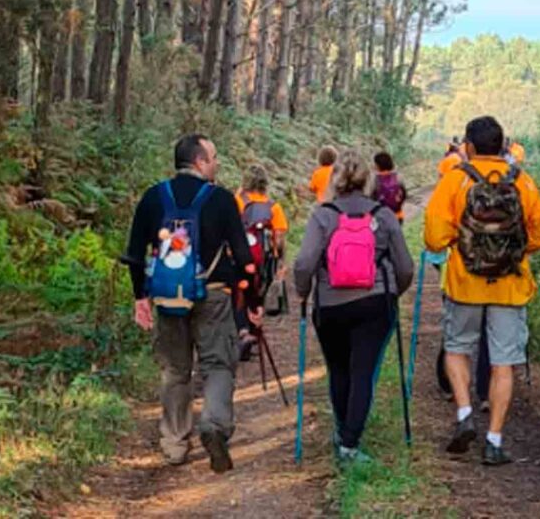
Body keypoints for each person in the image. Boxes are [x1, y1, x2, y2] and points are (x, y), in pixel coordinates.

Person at [122, 134, 256, 473]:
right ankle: (214, 424)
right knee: (218, 364)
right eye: (213, 157)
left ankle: (174, 443)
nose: (217, 163)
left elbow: (135, 254)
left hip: (168, 297)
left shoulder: (153, 197)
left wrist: (140, 297)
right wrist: (253, 300)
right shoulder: (222, 199)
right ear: (199, 161)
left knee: (175, 369)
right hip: (213, 294)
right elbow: (244, 256)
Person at [425, 116, 540, 465]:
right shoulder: (521, 181)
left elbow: (434, 237)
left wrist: (463, 244)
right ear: (503, 146)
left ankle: (465, 413)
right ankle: (494, 440)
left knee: (457, 348)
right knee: (503, 362)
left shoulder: (455, 179)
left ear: (468, 146)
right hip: (510, 285)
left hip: (464, 282)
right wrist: (512, 252)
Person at [294, 150, 414, 464]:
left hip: (330, 305)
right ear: (367, 180)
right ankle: (350, 443)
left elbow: (304, 263)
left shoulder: (322, 215)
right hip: (375, 304)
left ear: (335, 180)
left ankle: (342, 430)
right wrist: (392, 294)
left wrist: (303, 293)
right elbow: (405, 267)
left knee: (338, 369)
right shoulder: (383, 215)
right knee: (363, 372)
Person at [234, 164, 289, 360]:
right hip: (263, 260)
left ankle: (242, 332)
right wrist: (280, 259)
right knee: (258, 296)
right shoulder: (273, 207)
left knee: (240, 294)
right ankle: (253, 334)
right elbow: (279, 237)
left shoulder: (238, 201)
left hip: (240, 257)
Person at [372, 151, 407, 223]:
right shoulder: (398, 177)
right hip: (397, 215)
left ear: (377, 165)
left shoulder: (374, 180)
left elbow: (371, 199)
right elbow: (404, 195)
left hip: (381, 217)